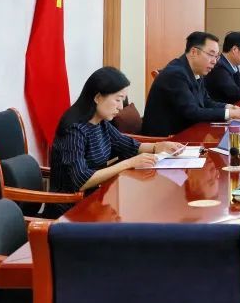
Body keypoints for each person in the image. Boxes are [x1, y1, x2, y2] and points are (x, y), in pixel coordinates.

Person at [49, 67, 184, 212]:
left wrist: (158, 146)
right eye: (118, 100)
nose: (120, 107)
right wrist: (129, 163)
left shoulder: (100, 123)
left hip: (95, 200)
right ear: (97, 97)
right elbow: (82, 180)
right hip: (70, 209)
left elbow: (129, 146)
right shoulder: (74, 131)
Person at [141, 31, 240, 137]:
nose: (214, 61)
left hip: (185, 132)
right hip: (167, 139)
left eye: (216, 56)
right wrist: (229, 114)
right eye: (211, 54)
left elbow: (205, 101)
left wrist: (229, 107)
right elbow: (192, 112)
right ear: (194, 52)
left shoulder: (195, 70)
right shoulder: (175, 74)